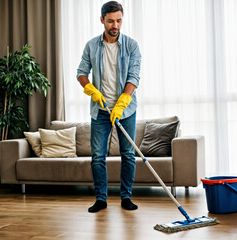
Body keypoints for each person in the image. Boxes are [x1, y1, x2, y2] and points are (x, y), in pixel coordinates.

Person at [76, 1, 142, 213]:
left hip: (126, 110)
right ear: (102, 19)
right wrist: (91, 90)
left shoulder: (131, 46)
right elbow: (81, 73)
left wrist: (123, 102)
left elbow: (133, 77)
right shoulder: (92, 46)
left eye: (119, 20)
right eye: (111, 21)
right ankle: (101, 199)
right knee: (97, 156)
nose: (116, 25)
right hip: (101, 110)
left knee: (128, 155)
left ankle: (126, 197)